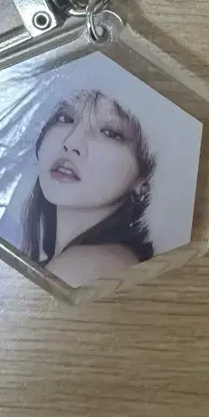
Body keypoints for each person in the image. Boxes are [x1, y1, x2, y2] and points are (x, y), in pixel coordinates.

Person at [16, 88, 156, 287]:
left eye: (110, 133)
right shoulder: (73, 262)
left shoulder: (77, 271)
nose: (71, 142)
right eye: (65, 118)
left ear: (143, 180)